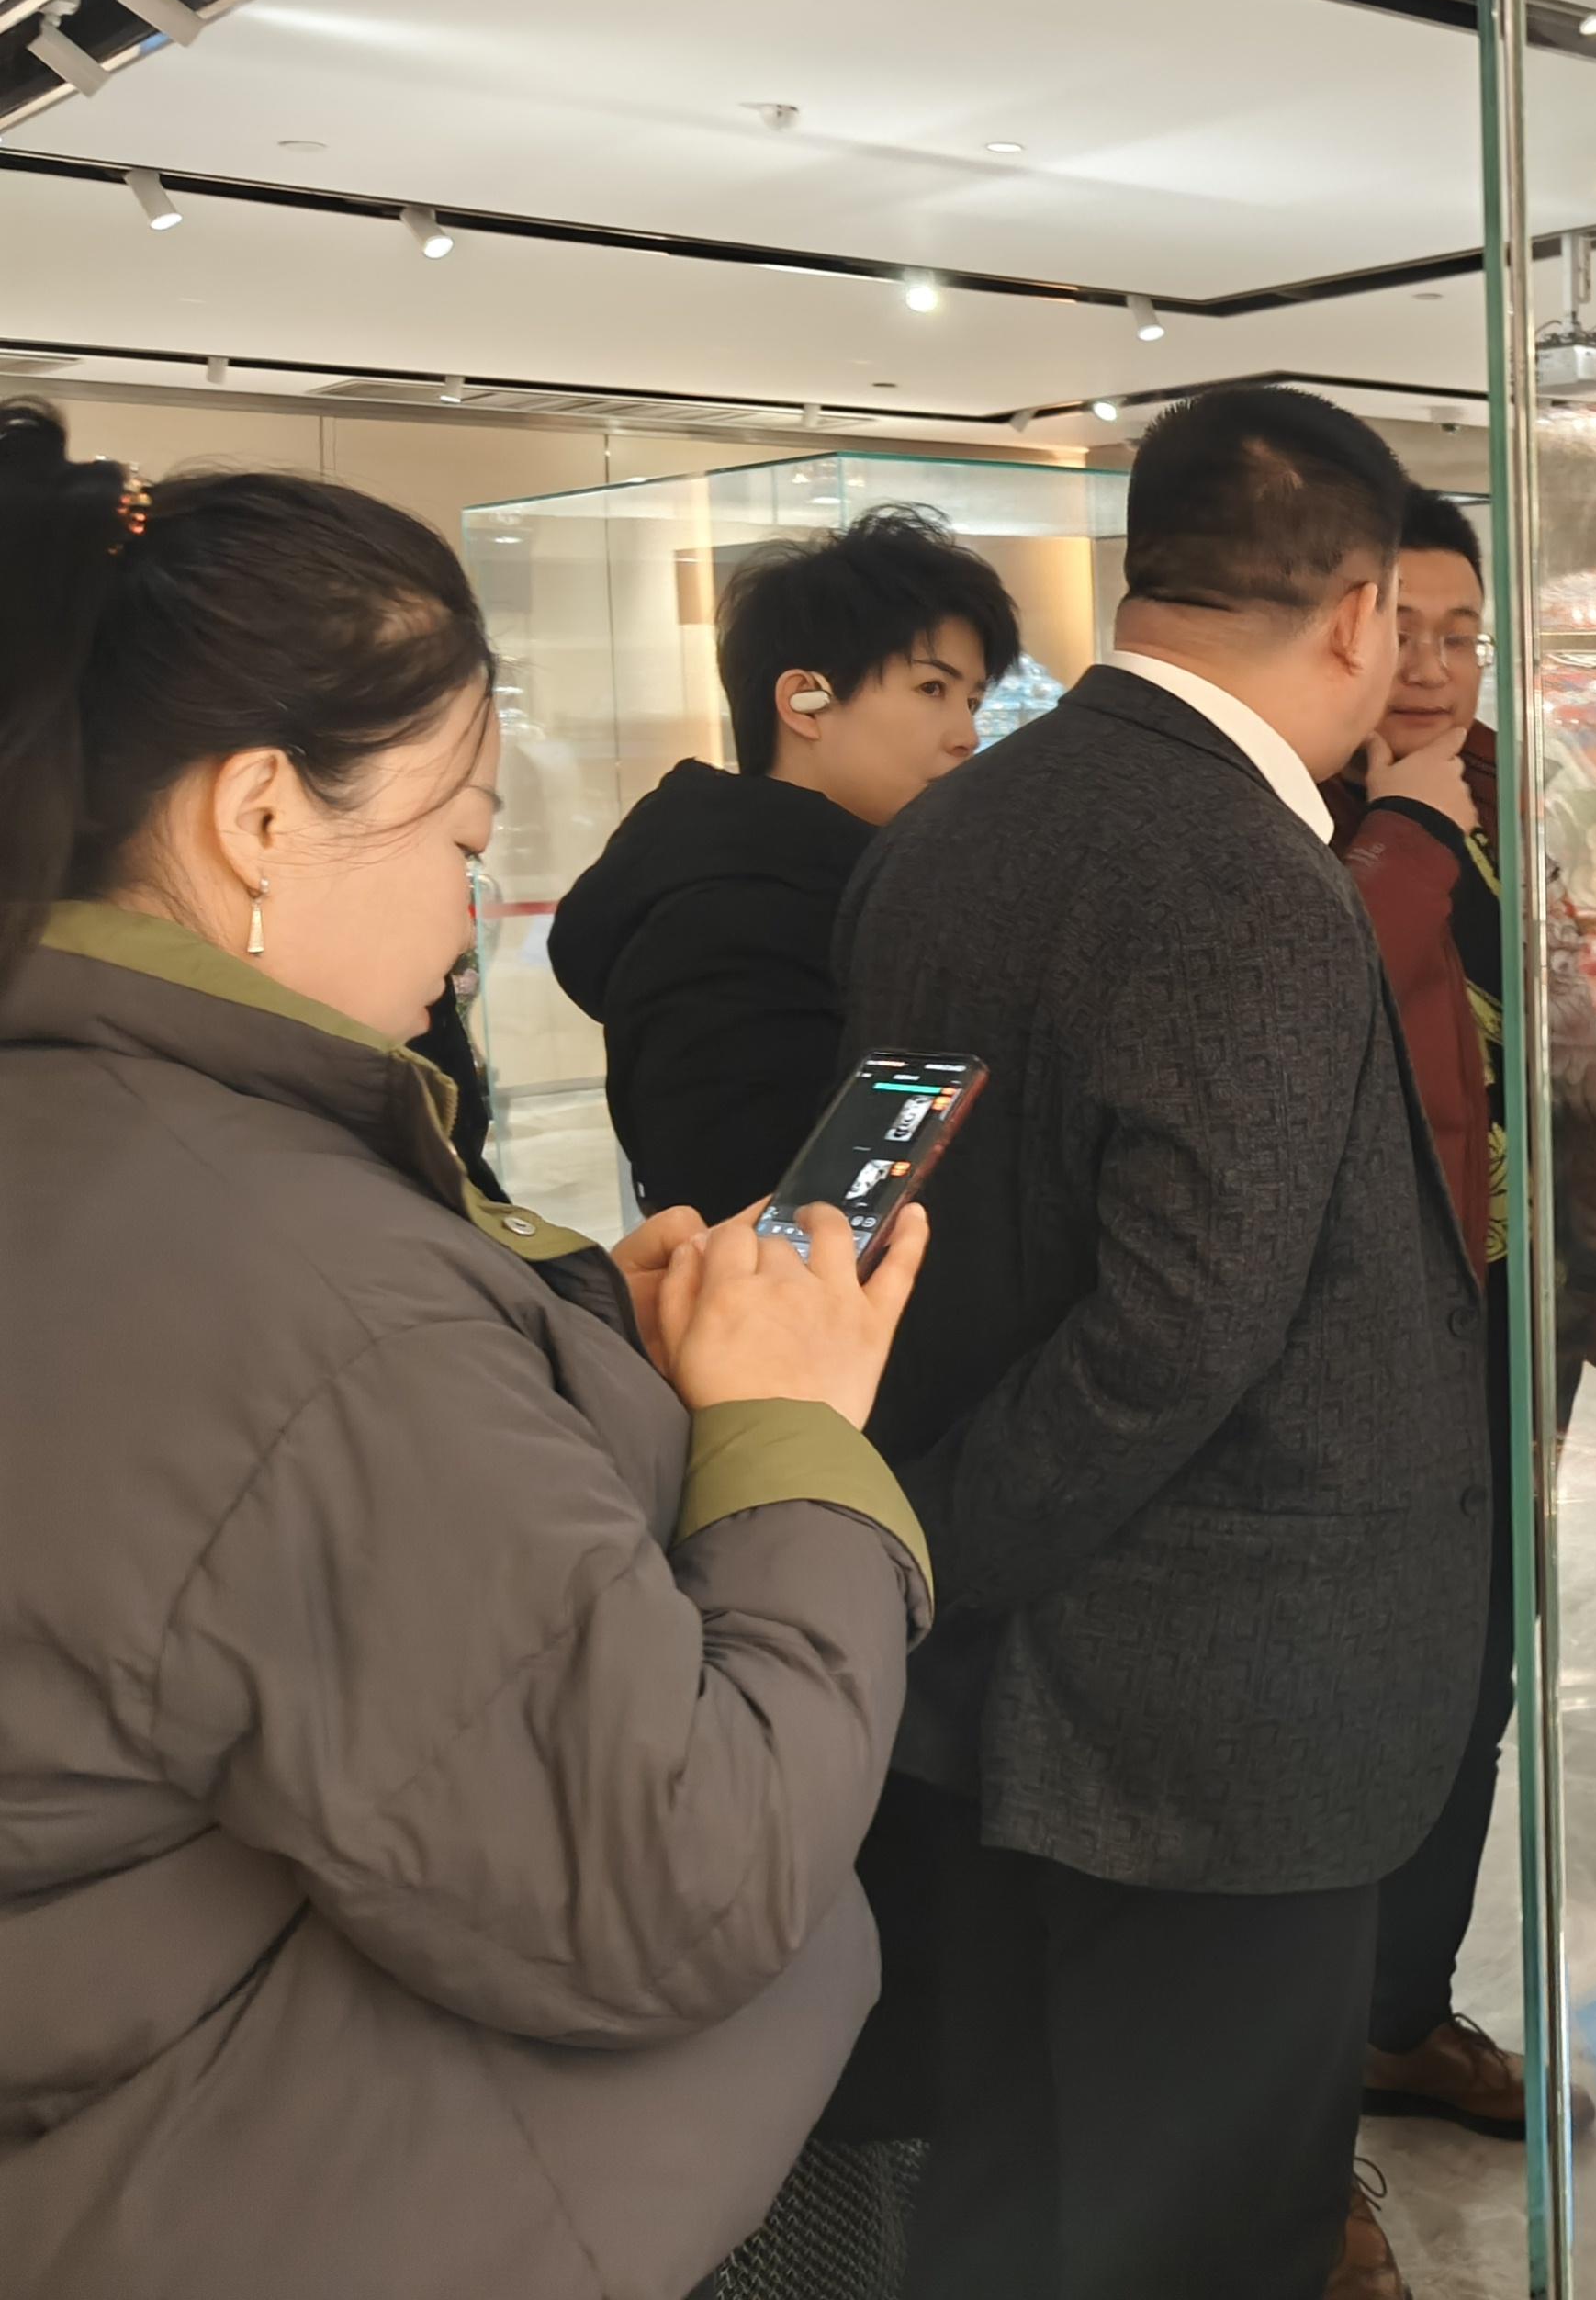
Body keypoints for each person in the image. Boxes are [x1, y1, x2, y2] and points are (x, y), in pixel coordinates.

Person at [0, 406, 933, 2300]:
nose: (472, 904)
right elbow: (677, 1874)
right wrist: (783, 1427)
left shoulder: (116, 1140)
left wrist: (572, 1354)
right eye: (462, 833)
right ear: (262, 816)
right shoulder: (288, 1274)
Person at [835, 386, 1490, 2300]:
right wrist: (942, 1545)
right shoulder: (1242, 870)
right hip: (1213, 1717)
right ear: (1356, 614)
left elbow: (875, 1201)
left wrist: (919, 1556)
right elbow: (1178, 1332)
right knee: (1200, 2230)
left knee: (1013, 2183)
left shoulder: (949, 828)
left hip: (1001, 1708)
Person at [1320, 494, 1596, 2199]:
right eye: (1407, 630)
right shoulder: (1303, 819)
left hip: (1522, 1305)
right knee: (1353, 1702)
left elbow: (1561, 1027)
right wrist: (1398, 828)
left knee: (1479, 1685)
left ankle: (1398, 2014)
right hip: (1376, 1331)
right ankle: (1298, 2112)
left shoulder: (1501, 789)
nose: (1438, 667)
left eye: (1465, 634)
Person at [556, 505, 1020, 1223]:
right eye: (932, 689)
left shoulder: (835, 884)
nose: (966, 735)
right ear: (804, 702)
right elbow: (744, 1208)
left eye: (974, 699)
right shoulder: (740, 918)